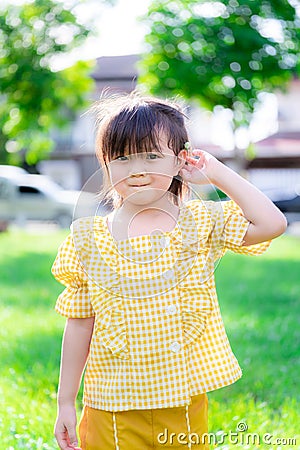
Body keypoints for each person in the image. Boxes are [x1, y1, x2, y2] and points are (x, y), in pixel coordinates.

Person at [51, 92, 287, 450]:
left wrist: (216, 172)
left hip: (182, 400)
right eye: (122, 158)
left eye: (151, 155)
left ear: (179, 161)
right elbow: (80, 321)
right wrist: (65, 401)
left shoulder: (199, 221)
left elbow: (272, 223)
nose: (137, 169)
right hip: (111, 405)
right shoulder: (89, 238)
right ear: (106, 164)